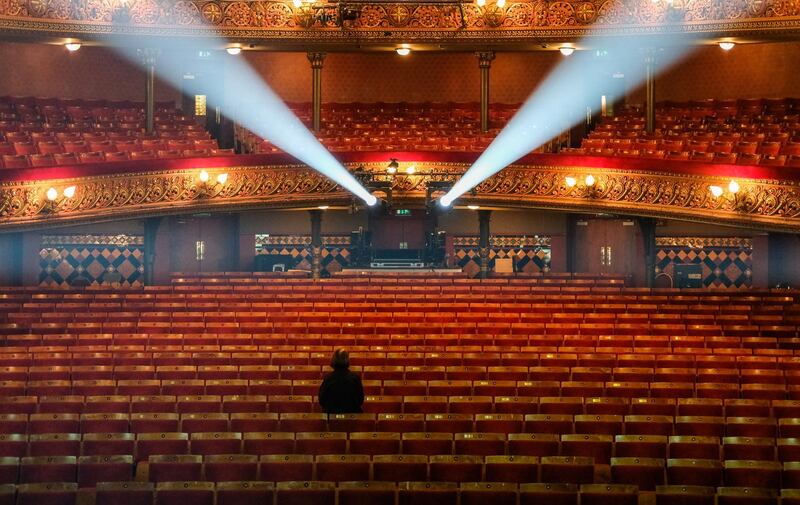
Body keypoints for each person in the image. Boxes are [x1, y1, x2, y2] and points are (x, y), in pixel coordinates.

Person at [319, 349, 365, 414]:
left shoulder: (328, 378)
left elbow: (322, 399)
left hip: (332, 416)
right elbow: (360, 400)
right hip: (352, 416)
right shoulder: (355, 378)